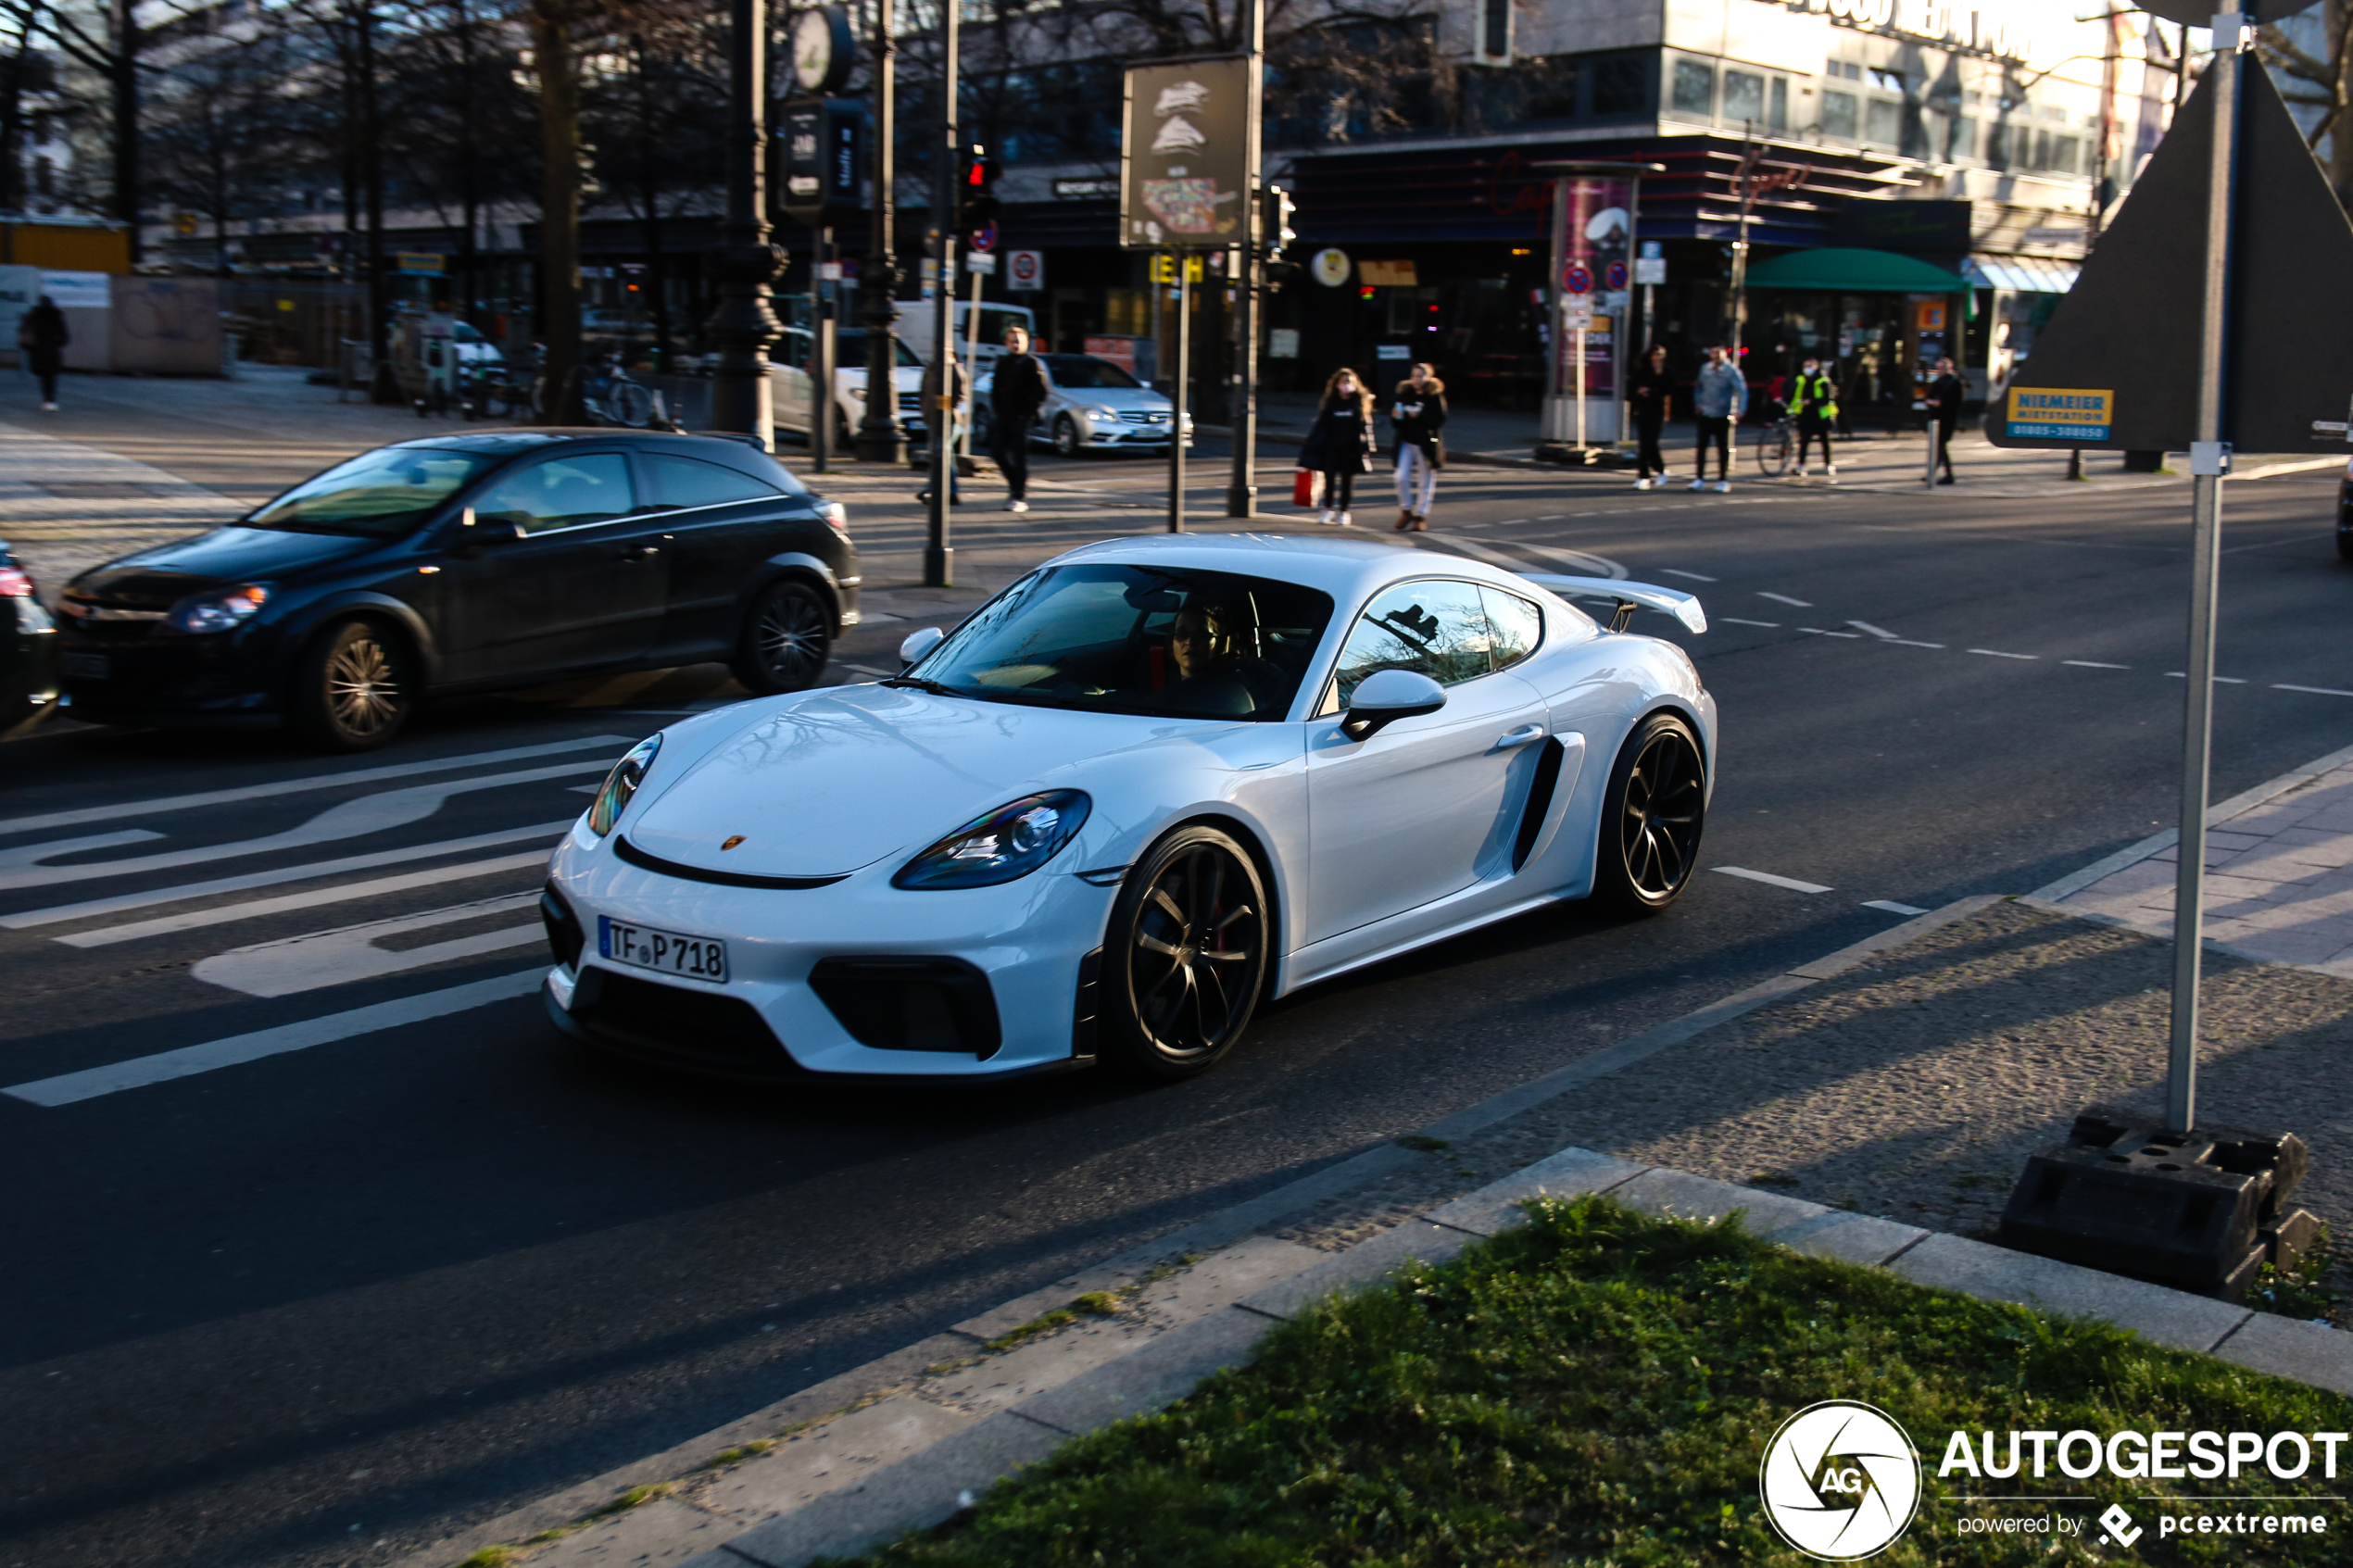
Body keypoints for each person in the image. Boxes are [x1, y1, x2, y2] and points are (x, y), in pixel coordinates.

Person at [1164, 602, 1280, 716]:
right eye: (1181, 633)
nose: (1189, 642)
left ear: (1220, 644)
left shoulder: (1233, 693)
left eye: (1202, 634)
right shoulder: (1155, 684)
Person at [1297, 367, 1375, 526]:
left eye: (1350, 382)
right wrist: (1311, 446)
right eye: (1344, 382)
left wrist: (1367, 447)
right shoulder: (1331, 403)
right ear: (1337, 384)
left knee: (1347, 481)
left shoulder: (1357, 403)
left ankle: (1344, 511)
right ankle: (1328, 508)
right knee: (1329, 478)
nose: (1347, 385)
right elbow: (1321, 426)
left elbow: (1365, 427)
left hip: (1351, 448)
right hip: (1331, 447)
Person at [988, 323, 1048, 513]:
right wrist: (998, 409)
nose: (1016, 345)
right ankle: (1015, 483)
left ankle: (1018, 495)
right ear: (1006, 343)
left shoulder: (1031, 363)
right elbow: (996, 388)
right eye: (1012, 341)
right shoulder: (1003, 362)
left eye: (1019, 342)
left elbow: (1040, 391)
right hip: (1005, 415)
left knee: (1019, 456)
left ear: (1026, 343)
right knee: (997, 451)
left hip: (1023, 416)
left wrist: (1028, 412)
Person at [1388, 362, 1447, 531]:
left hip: (1426, 443)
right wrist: (1397, 416)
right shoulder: (1405, 393)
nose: (1416, 379)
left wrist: (1419, 416)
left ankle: (1420, 516)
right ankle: (1406, 510)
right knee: (1400, 476)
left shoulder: (1434, 396)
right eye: (1414, 376)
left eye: (1420, 376)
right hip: (1406, 440)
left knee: (1425, 480)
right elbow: (1396, 421)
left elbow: (1439, 419)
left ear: (1428, 378)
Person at [913, 351, 968, 506]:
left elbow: (961, 393)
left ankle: (937, 489)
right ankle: (947, 490)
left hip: (949, 420)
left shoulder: (954, 369)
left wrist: (948, 409)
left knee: (941, 453)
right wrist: (924, 410)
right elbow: (923, 391)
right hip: (932, 419)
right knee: (943, 455)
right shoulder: (930, 368)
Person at [1689, 345, 1745, 494]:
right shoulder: (1705, 369)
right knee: (1701, 446)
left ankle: (1723, 479)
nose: (1716, 356)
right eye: (1713, 352)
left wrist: (1740, 410)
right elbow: (1699, 386)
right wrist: (1698, 403)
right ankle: (1699, 478)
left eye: (1719, 353)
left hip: (1723, 413)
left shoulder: (1730, 370)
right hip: (1706, 413)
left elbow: (1741, 389)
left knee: (1723, 447)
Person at [1627, 345, 1674, 489]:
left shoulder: (1666, 371)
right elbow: (1631, 390)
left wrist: (1653, 390)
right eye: (1655, 354)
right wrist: (1639, 392)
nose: (1657, 357)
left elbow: (1669, 389)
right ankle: (1644, 475)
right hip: (1643, 410)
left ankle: (1659, 470)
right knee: (1643, 444)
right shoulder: (1642, 371)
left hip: (1657, 410)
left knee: (1651, 443)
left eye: (1660, 355)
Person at [1789, 356, 1840, 481]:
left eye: (1809, 366)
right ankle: (1801, 466)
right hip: (1806, 414)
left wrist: (1811, 401)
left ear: (1816, 366)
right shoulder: (1802, 379)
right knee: (1804, 440)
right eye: (1805, 366)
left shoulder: (1823, 380)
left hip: (1821, 415)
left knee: (1825, 441)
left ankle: (1828, 464)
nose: (1807, 369)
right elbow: (1794, 394)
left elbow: (1827, 399)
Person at [19, 295, 68, 411]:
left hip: (38, 350)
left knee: (43, 376)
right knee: (51, 376)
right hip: (52, 350)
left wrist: (29, 346)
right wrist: (56, 343)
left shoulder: (33, 316)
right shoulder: (56, 317)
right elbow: (64, 337)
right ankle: (50, 399)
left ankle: (46, 399)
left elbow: (24, 331)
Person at [1929, 356, 1966, 484]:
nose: (1939, 370)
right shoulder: (1938, 382)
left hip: (1947, 418)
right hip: (1936, 418)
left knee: (1941, 446)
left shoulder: (1954, 382)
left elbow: (1958, 402)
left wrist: (1942, 403)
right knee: (1938, 447)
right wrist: (1930, 402)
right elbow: (1930, 396)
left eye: (1942, 368)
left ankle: (1948, 475)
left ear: (1949, 368)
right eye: (1937, 368)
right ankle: (1933, 473)